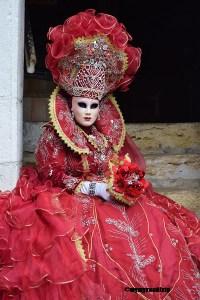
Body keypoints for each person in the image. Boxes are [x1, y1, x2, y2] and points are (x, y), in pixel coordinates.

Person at [0, 9, 199, 300]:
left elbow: (112, 162)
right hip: (73, 196)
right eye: (82, 105)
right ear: (71, 103)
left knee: (150, 218)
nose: (89, 112)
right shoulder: (54, 134)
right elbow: (52, 174)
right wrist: (92, 187)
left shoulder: (104, 133)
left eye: (94, 106)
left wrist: (123, 180)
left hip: (106, 195)